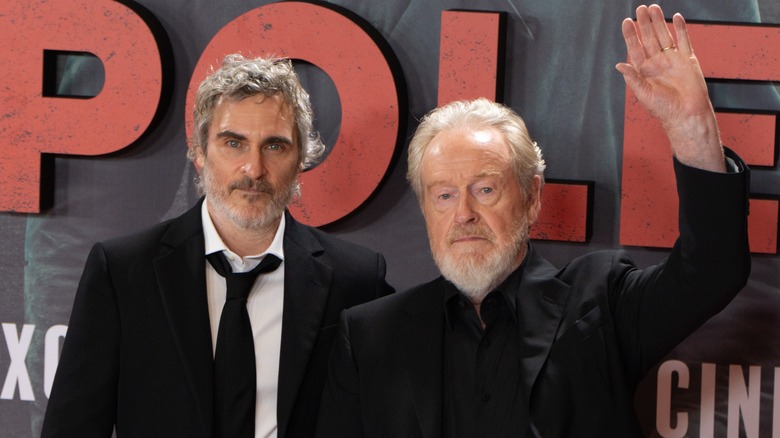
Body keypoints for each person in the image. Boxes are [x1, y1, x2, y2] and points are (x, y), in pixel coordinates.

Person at [316, 4, 751, 437]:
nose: (464, 213)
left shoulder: (600, 303)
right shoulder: (371, 336)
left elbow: (711, 270)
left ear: (532, 198)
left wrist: (692, 129)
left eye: (485, 190)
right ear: (427, 210)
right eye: (444, 195)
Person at [41, 54, 393, 438]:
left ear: (300, 161)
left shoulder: (356, 280)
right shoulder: (124, 271)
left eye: (275, 146)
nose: (254, 169)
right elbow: (71, 426)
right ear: (199, 152)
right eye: (233, 143)